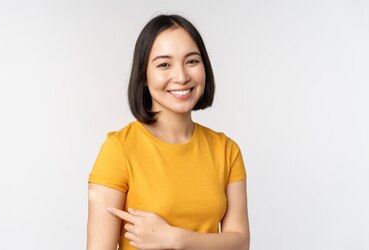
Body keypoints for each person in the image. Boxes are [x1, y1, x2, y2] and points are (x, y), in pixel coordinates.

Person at [86, 14, 250, 250]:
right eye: (164, 64)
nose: (182, 77)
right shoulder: (118, 150)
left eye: (192, 61)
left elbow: (240, 242)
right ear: (143, 75)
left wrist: (176, 239)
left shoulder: (227, 150)